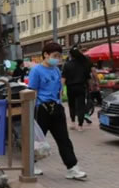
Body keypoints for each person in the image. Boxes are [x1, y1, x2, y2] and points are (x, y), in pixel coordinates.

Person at [28, 42, 87, 180]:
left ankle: (72, 168)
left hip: (56, 108)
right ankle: (31, 164)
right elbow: (33, 91)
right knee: (37, 139)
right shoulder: (36, 71)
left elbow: (59, 89)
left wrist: (59, 103)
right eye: (55, 56)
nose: (57, 59)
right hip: (41, 109)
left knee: (64, 139)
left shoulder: (56, 70)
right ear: (46, 55)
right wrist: (32, 111)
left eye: (59, 56)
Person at [62, 47, 90, 131]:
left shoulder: (67, 64)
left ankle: (73, 123)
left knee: (72, 105)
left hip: (70, 87)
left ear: (71, 55)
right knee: (81, 106)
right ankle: (80, 126)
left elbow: (63, 78)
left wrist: (61, 88)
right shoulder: (84, 64)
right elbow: (88, 77)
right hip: (81, 87)